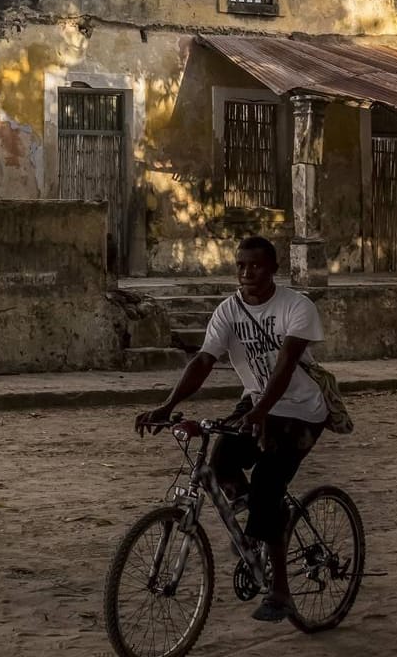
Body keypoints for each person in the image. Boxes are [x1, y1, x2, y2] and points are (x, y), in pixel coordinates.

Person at [135, 235, 330, 624]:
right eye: (240, 265)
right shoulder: (229, 311)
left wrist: (260, 412)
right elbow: (204, 361)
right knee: (220, 460)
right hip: (257, 401)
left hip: (301, 409)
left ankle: (281, 592)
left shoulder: (296, 307)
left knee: (268, 484)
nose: (246, 273)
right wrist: (168, 405)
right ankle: (260, 524)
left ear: (274, 268)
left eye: (255, 266)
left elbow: (286, 365)